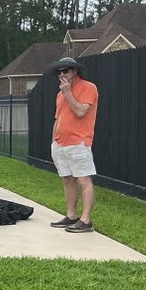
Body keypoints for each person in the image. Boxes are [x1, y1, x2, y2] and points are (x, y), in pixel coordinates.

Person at [48, 57, 99, 233]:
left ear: (74, 71)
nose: (62, 75)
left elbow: (80, 111)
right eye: (59, 72)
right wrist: (54, 140)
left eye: (66, 71)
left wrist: (68, 92)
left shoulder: (88, 87)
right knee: (67, 180)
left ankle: (85, 221)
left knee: (83, 179)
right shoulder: (59, 94)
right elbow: (58, 118)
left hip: (78, 142)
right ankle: (71, 216)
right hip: (60, 143)